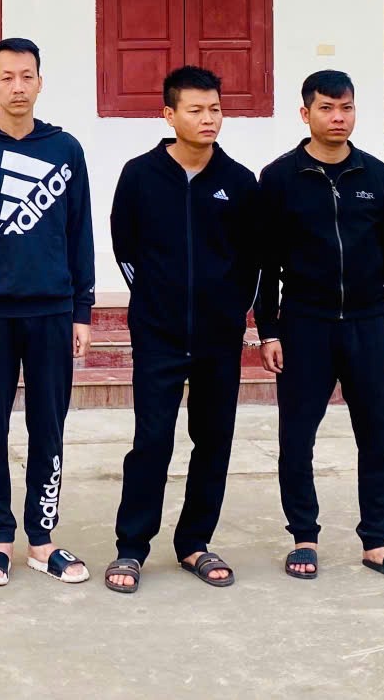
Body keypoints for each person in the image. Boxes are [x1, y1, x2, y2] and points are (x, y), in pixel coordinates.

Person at [0, 37, 95, 587]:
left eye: (27, 76)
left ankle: (42, 540)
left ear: (40, 82)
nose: (17, 87)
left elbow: (80, 232)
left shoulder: (65, 149)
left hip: (52, 311)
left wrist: (82, 309)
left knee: (48, 428)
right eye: (6, 77)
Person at [256, 70, 384, 584]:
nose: (338, 118)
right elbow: (266, 262)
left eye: (346, 108)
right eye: (327, 108)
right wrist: (268, 330)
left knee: (381, 438)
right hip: (305, 325)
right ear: (305, 113)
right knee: (296, 438)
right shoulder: (279, 178)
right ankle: (303, 536)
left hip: (371, 325)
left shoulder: (378, 177)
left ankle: (376, 541)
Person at [103, 67, 259, 594]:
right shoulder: (140, 175)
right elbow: (124, 244)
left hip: (218, 338)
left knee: (213, 440)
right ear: (169, 115)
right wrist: (154, 300)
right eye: (195, 110)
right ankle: (131, 547)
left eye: (215, 108)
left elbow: (251, 259)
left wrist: (230, 310)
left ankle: (194, 542)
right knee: (151, 440)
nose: (208, 118)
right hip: (158, 334)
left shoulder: (239, 181)